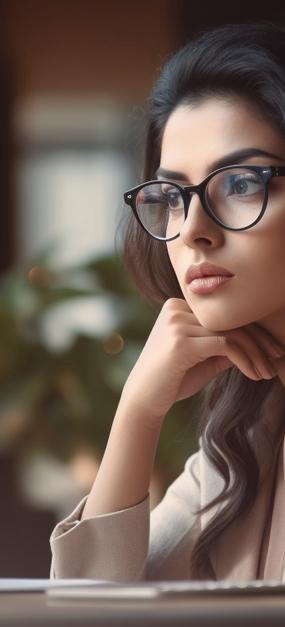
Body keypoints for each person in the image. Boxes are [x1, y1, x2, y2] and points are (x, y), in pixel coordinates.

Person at [50, 20, 285, 581]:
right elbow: (90, 617)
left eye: (241, 183)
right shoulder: (238, 453)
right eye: (174, 196)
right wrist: (137, 410)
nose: (192, 230)